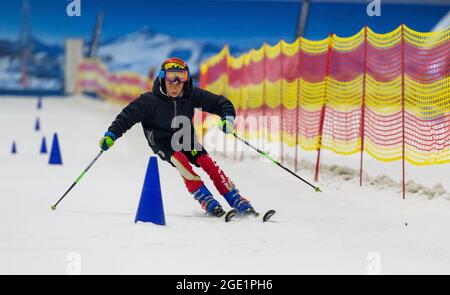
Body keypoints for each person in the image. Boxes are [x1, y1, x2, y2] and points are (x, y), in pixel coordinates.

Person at [99, 57, 253, 217]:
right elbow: (126, 117)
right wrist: (112, 134)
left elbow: (221, 103)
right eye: (170, 77)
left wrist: (227, 118)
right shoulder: (149, 101)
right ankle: (205, 198)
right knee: (181, 161)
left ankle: (235, 198)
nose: (175, 83)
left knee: (207, 163)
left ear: (186, 79)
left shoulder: (190, 95)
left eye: (181, 77)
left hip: (185, 138)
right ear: (162, 78)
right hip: (162, 143)